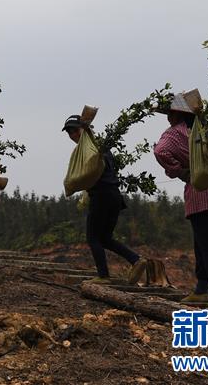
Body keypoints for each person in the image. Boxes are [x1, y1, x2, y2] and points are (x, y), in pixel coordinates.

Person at [154, 92, 208, 310]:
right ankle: (201, 289)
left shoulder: (175, 134)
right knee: (202, 242)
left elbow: (160, 151)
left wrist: (180, 172)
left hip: (201, 195)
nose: (168, 118)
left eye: (170, 113)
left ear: (178, 114)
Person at [62, 114, 146, 284]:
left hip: (102, 196)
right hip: (114, 196)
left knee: (93, 238)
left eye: (74, 130)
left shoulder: (91, 149)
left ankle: (103, 276)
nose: (72, 135)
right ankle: (136, 260)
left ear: (83, 130)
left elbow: (88, 174)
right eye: (69, 132)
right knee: (105, 238)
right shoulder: (100, 147)